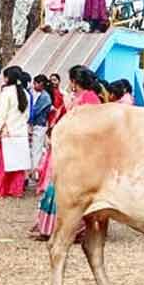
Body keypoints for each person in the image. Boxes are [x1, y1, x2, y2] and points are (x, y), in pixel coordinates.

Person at [32, 66, 102, 240]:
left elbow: (92, 126)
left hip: (81, 150)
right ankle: (53, 227)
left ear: (74, 81)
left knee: (73, 192)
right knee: (59, 189)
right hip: (69, 148)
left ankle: (73, 229)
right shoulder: (80, 97)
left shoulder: (90, 98)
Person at [0, 66, 31, 198]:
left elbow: (2, 115)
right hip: (21, 132)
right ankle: (16, 190)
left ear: (8, 78)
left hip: (8, 132)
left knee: (3, 163)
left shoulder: (6, 93)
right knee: (18, 164)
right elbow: (27, 116)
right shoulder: (25, 93)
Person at [29, 75, 53, 176]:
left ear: (41, 84)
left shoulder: (44, 97)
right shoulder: (42, 95)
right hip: (39, 125)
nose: (33, 85)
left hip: (39, 125)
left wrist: (29, 119)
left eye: (35, 83)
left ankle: (36, 172)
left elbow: (35, 111)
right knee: (36, 149)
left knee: (36, 150)